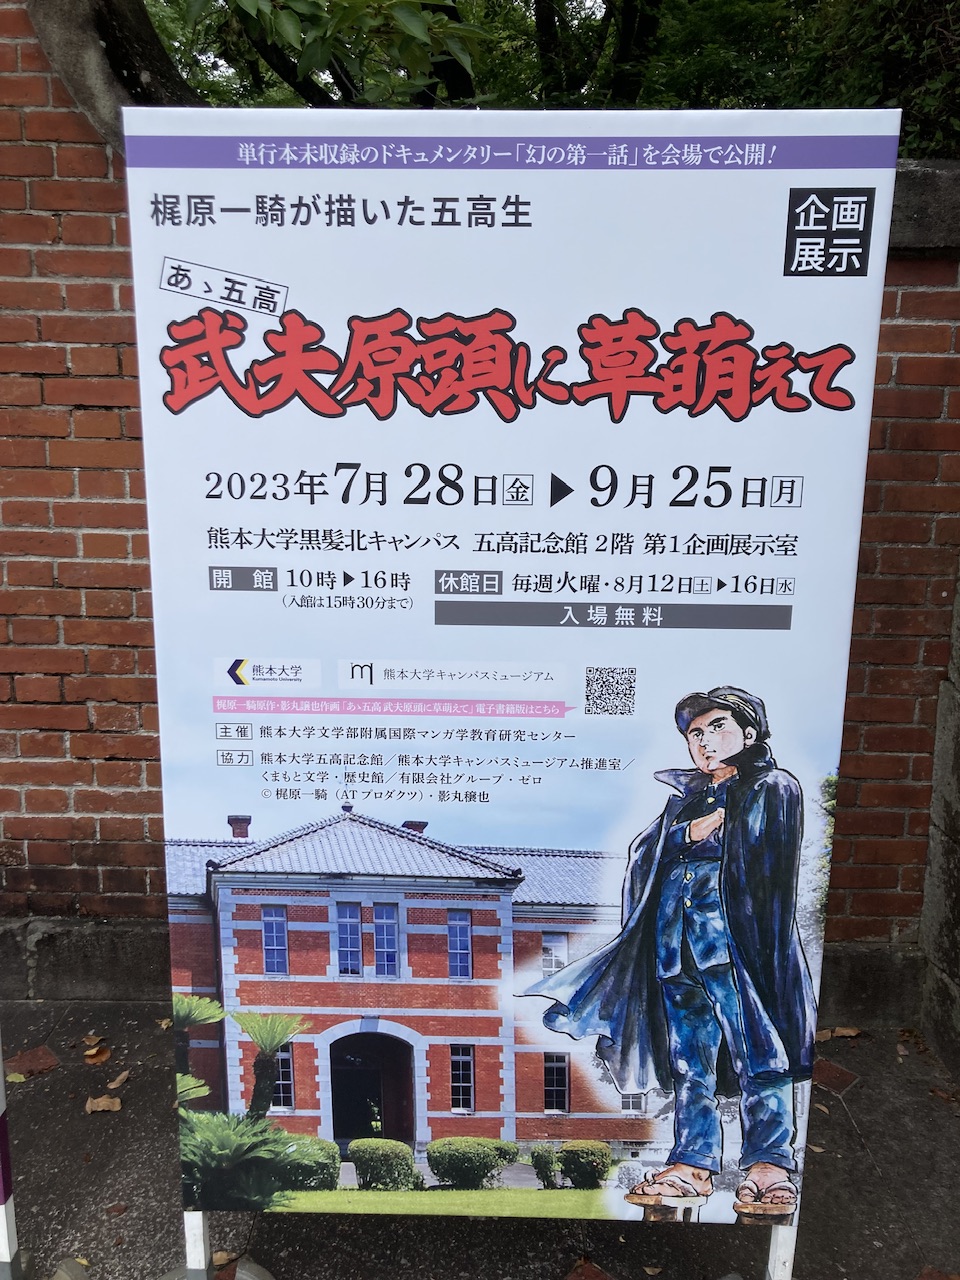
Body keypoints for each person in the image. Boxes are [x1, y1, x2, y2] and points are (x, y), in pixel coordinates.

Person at [528, 686, 817, 1210]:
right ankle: (692, 1163)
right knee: (689, 1060)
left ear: (749, 733)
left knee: (760, 1051)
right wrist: (689, 833)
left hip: (738, 946)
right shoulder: (686, 800)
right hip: (675, 947)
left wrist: (717, 831)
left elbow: (768, 861)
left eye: (717, 727)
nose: (704, 741)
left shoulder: (773, 786)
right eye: (695, 733)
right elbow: (644, 851)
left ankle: (769, 1164)